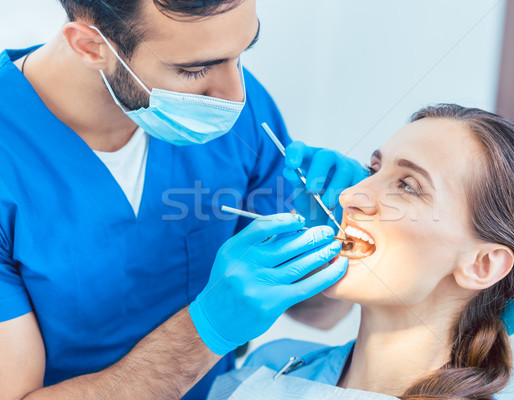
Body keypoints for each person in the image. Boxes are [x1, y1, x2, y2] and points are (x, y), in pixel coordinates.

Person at [0, 1, 367, 399]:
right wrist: (205, 330)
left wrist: (330, 238)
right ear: (92, 46)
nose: (235, 96)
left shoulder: (238, 111)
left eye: (243, 53)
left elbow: (319, 315)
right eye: (194, 70)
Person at [210, 104, 514, 400]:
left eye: (408, 186)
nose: (350, 197)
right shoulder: (272, 366)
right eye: (373, 169)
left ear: (482, 264)